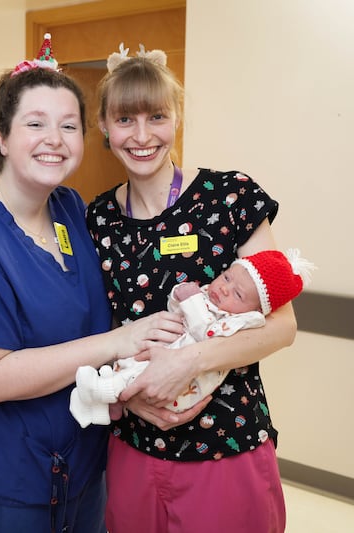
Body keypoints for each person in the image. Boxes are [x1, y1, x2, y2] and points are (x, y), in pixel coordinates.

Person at [0, 35, 177, 533]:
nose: (54, 140)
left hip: (83, 462)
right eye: (35, 124)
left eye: (68, 126)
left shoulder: (70, 210)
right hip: (9, 482)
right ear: (1, 136)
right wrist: (119, 341)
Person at [86, 43, 301, 532]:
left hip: (225, 442)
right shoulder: (97, 218)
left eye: (157, 117)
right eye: (125, 120)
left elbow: (283, 327)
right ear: (103, 126)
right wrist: (132, 394)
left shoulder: (230, 198)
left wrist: (188, 361)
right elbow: (100, 326)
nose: (142, 136)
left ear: (177, 117)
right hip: (133, 445)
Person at [69, 248, 315, 427]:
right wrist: (179, 295)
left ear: (254, 310)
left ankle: (101, 391)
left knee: (145, 374)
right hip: (171, 352)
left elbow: (206, 333)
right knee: (138, 361)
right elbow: (176, 307)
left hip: (186, 385)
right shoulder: (214, 297)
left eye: (238, 294)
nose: (224, 288)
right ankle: (110, 406)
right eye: (227, 277)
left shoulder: (244, 321)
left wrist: (192, 301)